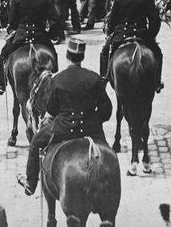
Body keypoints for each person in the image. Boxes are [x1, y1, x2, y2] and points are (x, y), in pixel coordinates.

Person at [19, 37, 112, 196]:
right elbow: (107, 110)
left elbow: (51, 109)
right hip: (91, 128)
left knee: (35, 142)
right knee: (108, 154)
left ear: (67, 56)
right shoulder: (94, 78)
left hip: (64, 129)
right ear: (82, 57)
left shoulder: (57, 79)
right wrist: (94, 119)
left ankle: (30, 183)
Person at [0, 0, 62, 94]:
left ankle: (2, 83)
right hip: (41, 36)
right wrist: (50, 35)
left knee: (3, 55)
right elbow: (55, 20)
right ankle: (55, 80)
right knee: (53, 55)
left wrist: (12, 31)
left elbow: (12, 22)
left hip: (21, 36)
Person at [99, 0, 164, 91]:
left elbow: (112, 20)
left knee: (104, 52)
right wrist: (150, 36)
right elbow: (155, 20)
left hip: (122, 34)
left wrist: (111, 32)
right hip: (142, 35)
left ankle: (104, 78)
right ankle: (157, 81)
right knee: (158, 54)